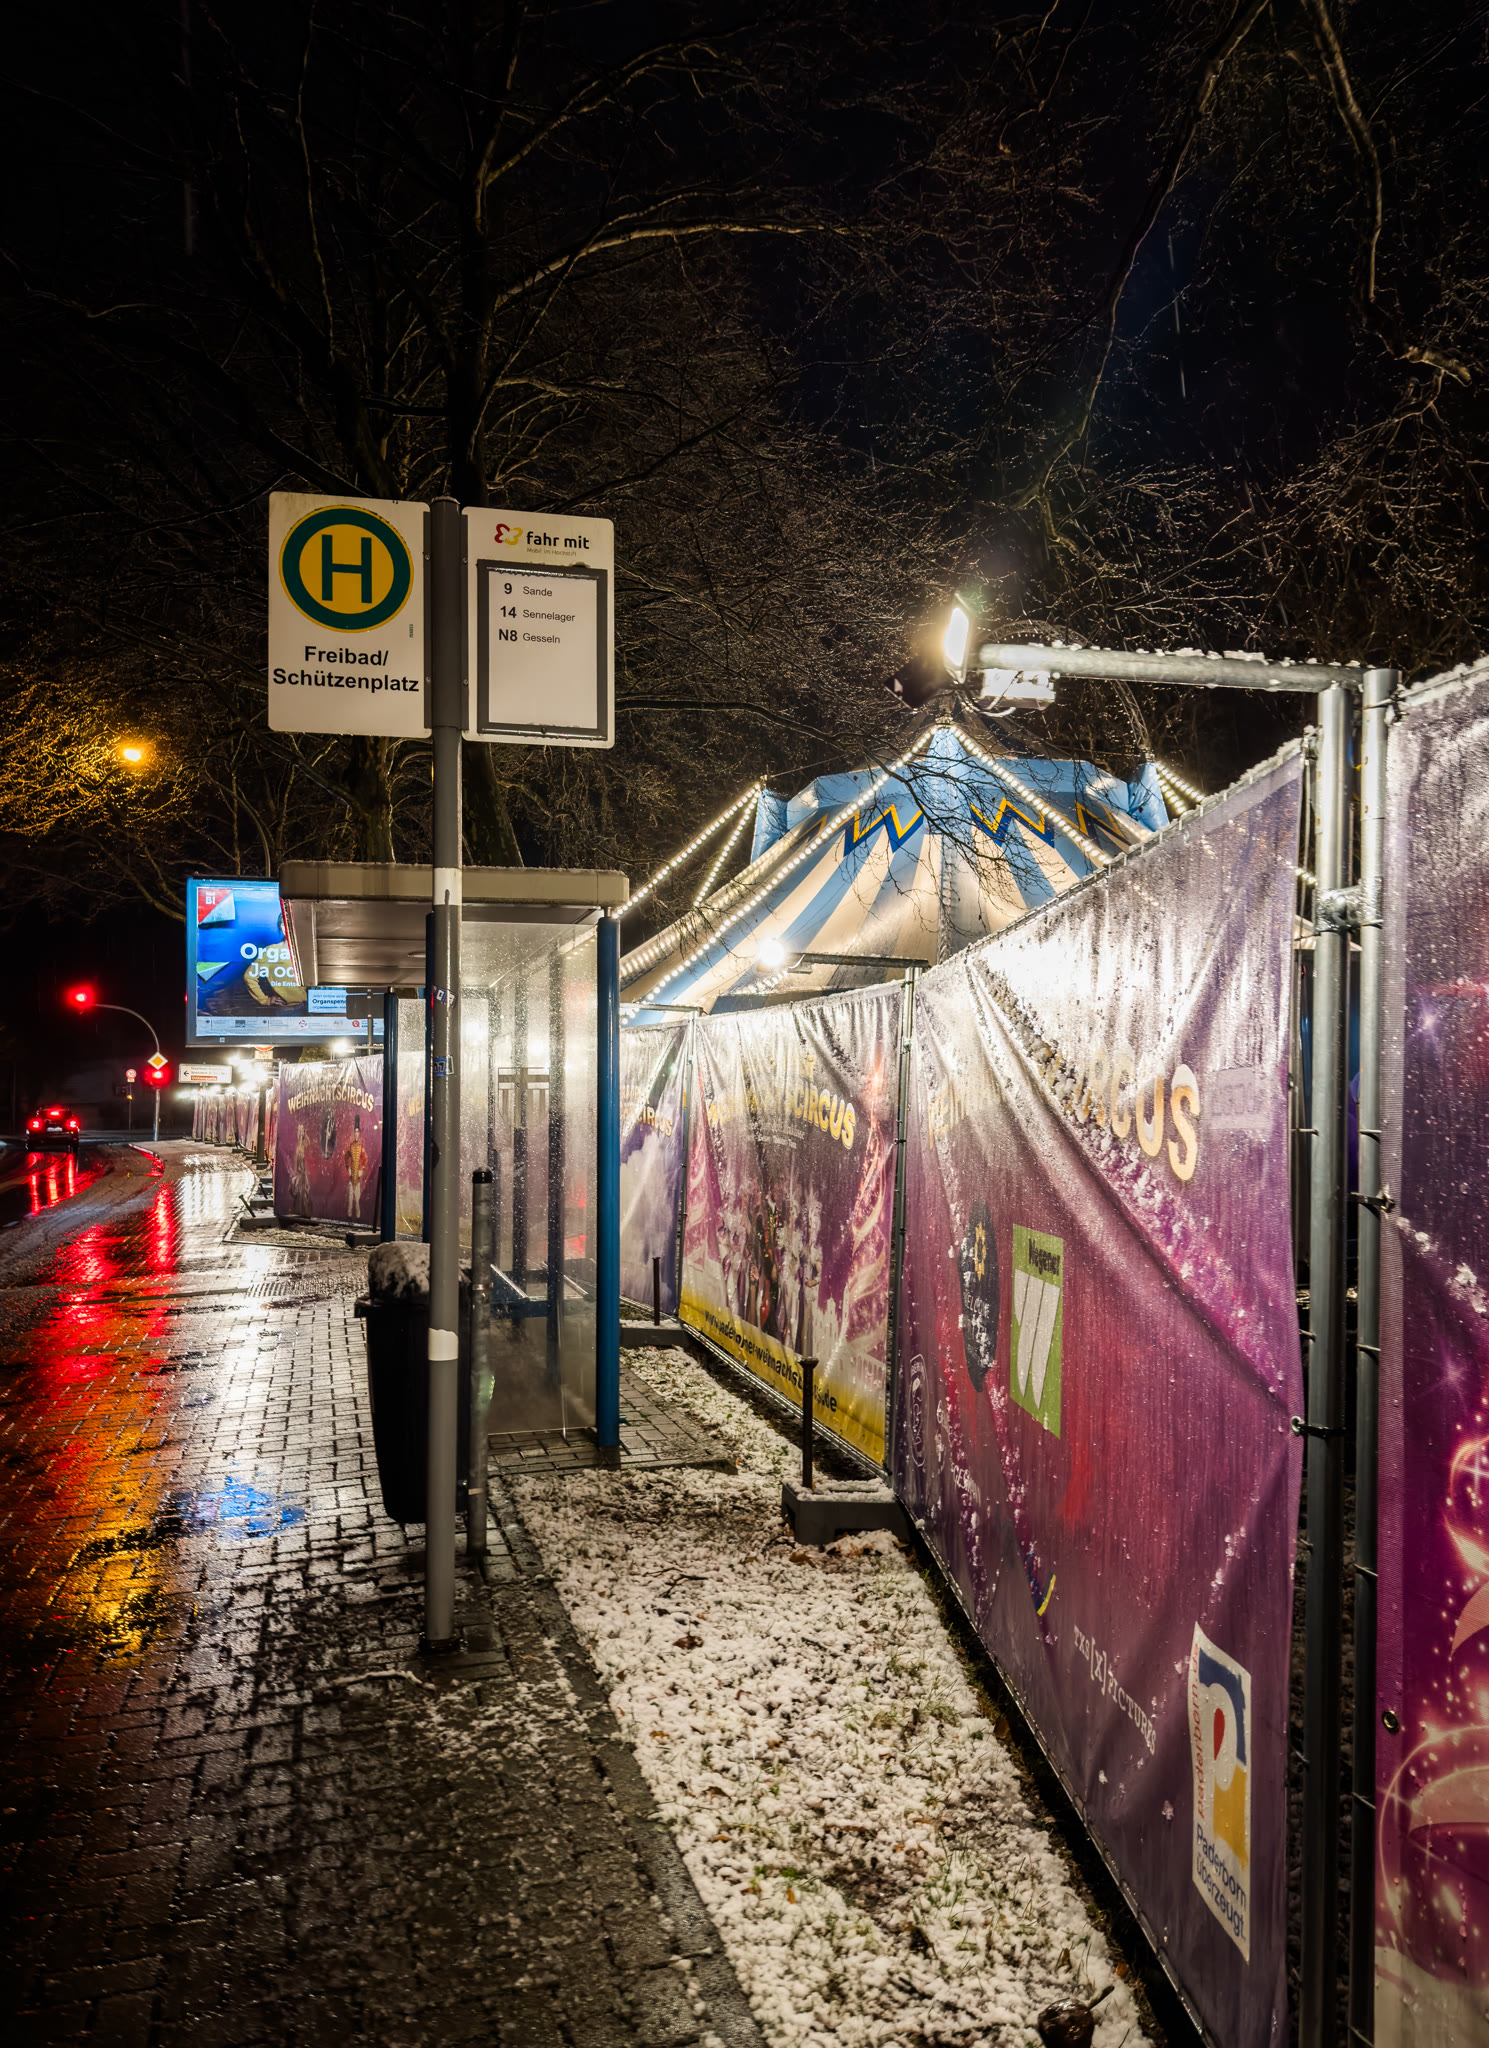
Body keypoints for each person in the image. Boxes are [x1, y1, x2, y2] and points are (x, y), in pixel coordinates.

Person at [344, 1114, 368, 1221]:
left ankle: (358, 1218)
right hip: (351, 1178)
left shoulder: (361, 1147)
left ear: (359, 1133)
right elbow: (346, 1157)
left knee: (357, 1200)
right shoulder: (351, 1146)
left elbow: (365, 1159)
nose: (356, 1134)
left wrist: (361, 1169)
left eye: (357, 1132)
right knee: (350, 1199)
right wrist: (348, 1168)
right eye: (355, 1132)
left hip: (357, 1178)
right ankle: (349, 1216)